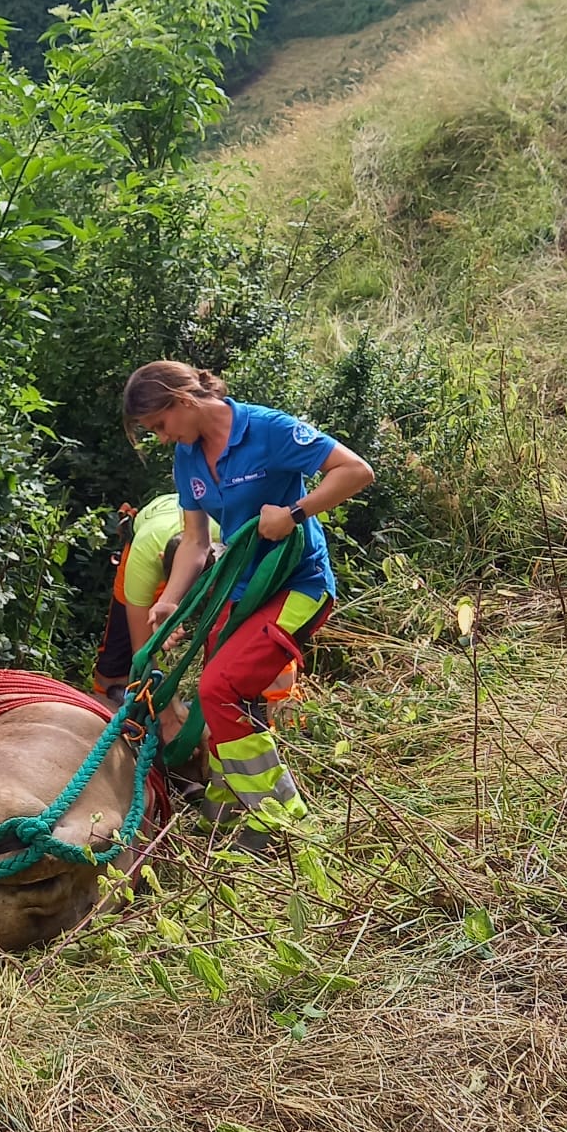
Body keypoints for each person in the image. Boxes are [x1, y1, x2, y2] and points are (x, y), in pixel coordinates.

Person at [122, 359, 374, 844]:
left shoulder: (267, 429)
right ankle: (224, 812)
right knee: (220, 700)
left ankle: (280, 820)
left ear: (183, 401)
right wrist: (171, 601)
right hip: (240, 593)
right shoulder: (188, 458)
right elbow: (195, 542)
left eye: (159, 425)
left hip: (298, 585)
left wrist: (295, 512)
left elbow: (355, 470)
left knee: (219, 688)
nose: (161, 438)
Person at [92, 493, 220, 700]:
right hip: (149, 538)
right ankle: (111, 694)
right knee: (121, 642)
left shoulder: (230, 537)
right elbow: (141, 648)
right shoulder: (144, 555)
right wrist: (163, 707)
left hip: (206, 535)